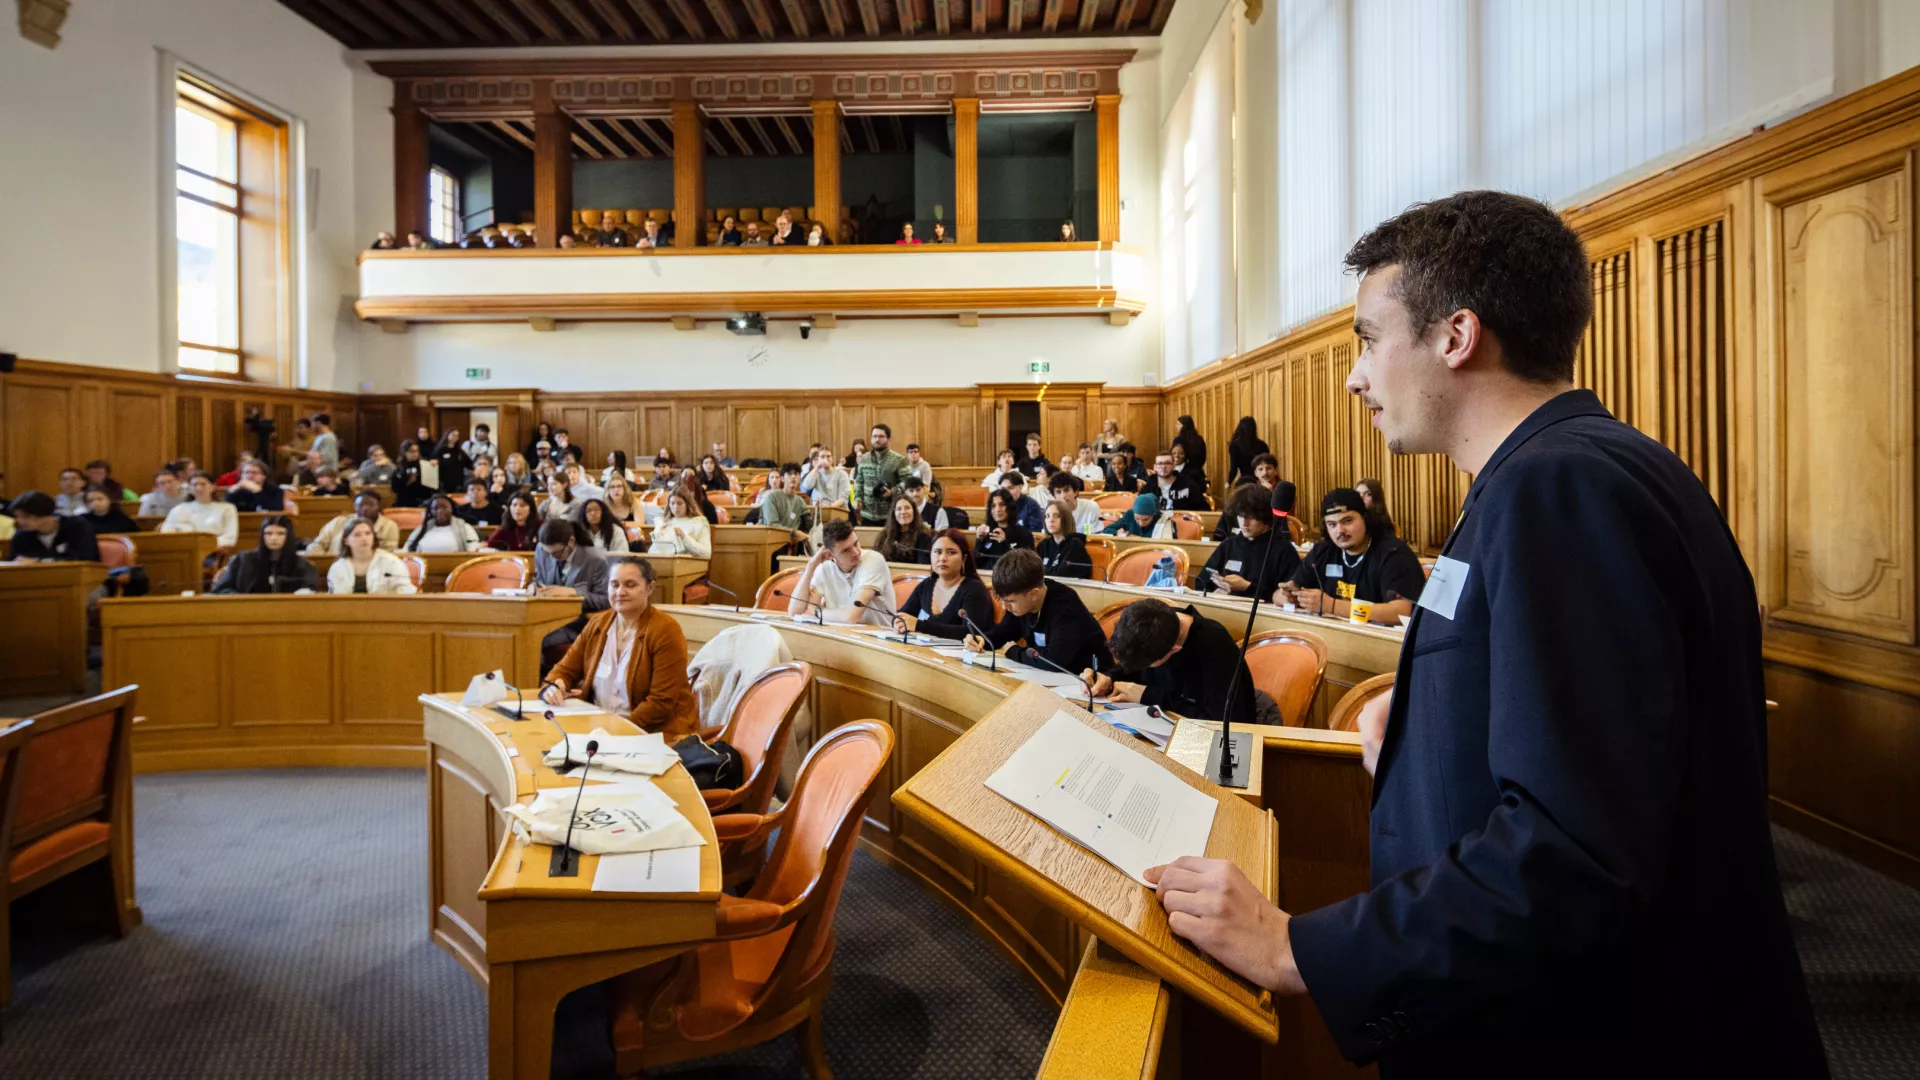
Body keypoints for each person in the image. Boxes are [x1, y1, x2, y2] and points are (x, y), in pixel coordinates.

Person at [1153, 192, 1826, 1078]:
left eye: (1366, 338)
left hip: (1602, 1037)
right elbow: (1606, 728)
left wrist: (1297, 950)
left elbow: (1576, 851)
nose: (1355, 377)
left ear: (1456, 337)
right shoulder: (1585, 465)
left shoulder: (1556, 493)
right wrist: (1439, 718)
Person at [541, 557, 700, 739]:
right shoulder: (597, 624)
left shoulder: (665, 630)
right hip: (601, 729)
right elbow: (563, 670)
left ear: (650, 587)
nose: (620, 592)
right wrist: (553, 687)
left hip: (653, 733)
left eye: (630, 585)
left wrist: (617, 732)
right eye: (614, 585)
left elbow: (660, 703)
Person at [1087, 600, 1257, 726]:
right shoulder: (1155, 621)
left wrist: (1147, 695)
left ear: (1174, 650)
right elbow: (1134, 662)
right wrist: (1108, 678)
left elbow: (1224, 723)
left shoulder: (1214, 646)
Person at [1279, 487, 1423, 625]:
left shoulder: (1393, 553)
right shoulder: (1323, 550)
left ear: (1365, 519)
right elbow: (1278, 596)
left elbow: (1401, 612)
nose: (1340, 531)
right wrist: (1292, 598)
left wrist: (1334, 606)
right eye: (1332, 524)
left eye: (1347, 521)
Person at [964, 549, 1111, 675]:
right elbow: (1003, 633)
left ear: (1033, 594)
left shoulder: (1065, 605)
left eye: (1010, 601)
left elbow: (1054, 661)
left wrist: (1013, 651)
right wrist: (981, 640)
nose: (1004, 607)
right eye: (1002, 600)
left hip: (1090, 681)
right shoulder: (1021, 600)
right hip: (1048, 677)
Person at [535, 517, 612, 668]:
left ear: (571, 541)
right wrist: (535, 588)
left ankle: (540, 682)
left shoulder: (595, 559)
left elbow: (606, 600)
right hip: (544, 617)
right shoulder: (542, 550)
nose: (551, 557)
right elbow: (540, 578)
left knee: (535, 638)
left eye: (556, 553)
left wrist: (573, 593)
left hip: (575, 623)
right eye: (547, 552)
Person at [789, 518, 894, 627]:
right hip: (843, 635)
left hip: (879, 638)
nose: (856, 552)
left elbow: (852, 616)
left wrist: (816, 611)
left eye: (856, 543)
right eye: (846, 550)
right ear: (829, 554)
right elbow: (795, 612)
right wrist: (811, 565)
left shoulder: (873, 560)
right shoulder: (824, 568)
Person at [1201, 485, 1300, 598]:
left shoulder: (1284, 551)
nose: (1244, 523)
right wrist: (1215, 591)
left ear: (1265, 518)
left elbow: (1288, 597)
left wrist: (1247, 587)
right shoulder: (1228, 545)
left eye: (1251, 518)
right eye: (1240, 516)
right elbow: (1201, 582)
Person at [894, 529, 994, 638]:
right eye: (937, 552)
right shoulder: (926, 585)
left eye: (951, 552)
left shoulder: (974, 589)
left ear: (964, 559)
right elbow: (903, 615)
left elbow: (970, 632)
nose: (943, 558)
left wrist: (920, 626)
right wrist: (898, 622)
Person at [212, 515, 319, 594]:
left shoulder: (302, 565)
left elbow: (309, 591)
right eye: (268, 533)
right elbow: (223, 589)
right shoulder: (242, 560)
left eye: (280, 533)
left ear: (289, 536)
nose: (273, 538)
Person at [326, 518, 416, 594]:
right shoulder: (338, 567)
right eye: (357, 535)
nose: (364, 538)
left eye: (368, 533)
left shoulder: (391, 562)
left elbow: (406, 591)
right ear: (346, 541)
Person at [7, 491, 99, 561]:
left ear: (44, 513)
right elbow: (15, 560)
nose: (20, 521)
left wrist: (39, 562)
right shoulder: (21, 535)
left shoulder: (78, 527)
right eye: (17, 516)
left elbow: (83, 559)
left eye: (25, 516)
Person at [1214, 453, 1285, 541]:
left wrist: (1269, 496)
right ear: (1255, 473)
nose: (1265, 473)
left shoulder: (1283, 490)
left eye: (1268, 468)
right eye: (1260, 469)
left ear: (1275, 471)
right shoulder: (1249, 490)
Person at [852, 424, 910, 527]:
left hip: (890, 514)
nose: (877, 439)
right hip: (867, 514)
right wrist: (858, 499)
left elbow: (908, 482)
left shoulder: (899, 460)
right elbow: (859, 482)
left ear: (889, 439)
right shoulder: (864, 459)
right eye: (874, 436)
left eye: (881, 436)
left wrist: (892, 491)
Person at [161, 472, 239, 548]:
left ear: (212, 487)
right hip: (184, 551)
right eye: (194, 485)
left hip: (213, 550)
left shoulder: (227, 508)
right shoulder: (179, 509)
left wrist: (203, 545)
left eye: (203, 484)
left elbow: (230, 538)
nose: (198, 488)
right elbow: (166, 533)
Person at [307, 490, 399, 554]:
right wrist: (325, 561)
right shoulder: (338, 522)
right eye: (361, 505)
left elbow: (388, 552)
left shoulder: (389, 526)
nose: (365, 508)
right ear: (355, 507)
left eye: (370, 505)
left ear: (379, 506)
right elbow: (317, 544)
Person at [974, 489, 1034, 568]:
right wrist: (980, 541)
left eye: (1002, 504)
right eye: (993, 506)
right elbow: (976, 564)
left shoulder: (1024, 534)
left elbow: (1025, 566)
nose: (997, 510)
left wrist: (1004, 543)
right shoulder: (987, 533)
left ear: (1010, 507)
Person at [403, 495, 482, 553]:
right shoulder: (422, 529)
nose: (440, 511)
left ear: (452, 509)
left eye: (444, 507)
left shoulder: (464, 528)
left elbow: (473, 552)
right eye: (435, 508)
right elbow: (406, 550)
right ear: (430, 511)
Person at [1035, 500, 1092, 579]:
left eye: (1056, 516)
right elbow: (1031, 572)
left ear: (1066, 519)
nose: (1051, 520)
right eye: (1047, 516)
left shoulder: (1075, 545)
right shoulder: (1043, 545)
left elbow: (1061, 576)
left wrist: (1042, 573)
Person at [651, 488, 711, 558]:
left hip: (687, 563)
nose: (675, 507)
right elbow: (654, 549)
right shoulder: (663, 521)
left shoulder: (699, 523)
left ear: (687, 504)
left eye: (680, 503)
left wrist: (683, 537)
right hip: (662, 560)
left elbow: (706, 554)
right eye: (672, 503)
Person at [875, 495, 932, 564]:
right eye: (899, 509)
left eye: (907, 508)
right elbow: (875, 559)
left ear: (914, 511)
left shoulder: (923, 536)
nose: (903, 512)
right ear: (894, 513)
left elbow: (922, 566)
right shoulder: (884, 535)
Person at [1102, 492, 1174, 539]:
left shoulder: (1164, 520)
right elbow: (1107, 530)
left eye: (1146, 519)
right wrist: (1117, 533)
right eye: (1137, 519)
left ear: (1153, 514)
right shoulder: (1129, 515)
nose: (1141, 524)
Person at [1226, 416, 1270, 487]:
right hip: (1260, 481)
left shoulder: (1234, 446)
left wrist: (1228, 482)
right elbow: (1268, 465)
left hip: (1244, 482)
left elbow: (1233, 470)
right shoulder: (1262, 445)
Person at [390, 441, 434, 508]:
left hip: (422, 501)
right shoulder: (400, 468)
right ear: (405, 452)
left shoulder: (423, 465)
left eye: (417, 451)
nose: (415, 454)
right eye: (412, 451)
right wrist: (409, 482)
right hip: (406, 503)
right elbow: (395, 488)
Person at [433, 429, 472, 495]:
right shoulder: (439, 450)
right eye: (453, 435)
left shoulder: (459, 451)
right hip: (443, 483)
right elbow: (433, 462)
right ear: (447, 435)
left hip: (458, 483)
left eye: (457, 435)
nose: (455, 437)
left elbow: (469, 463)